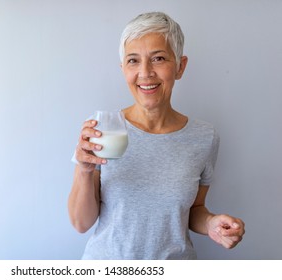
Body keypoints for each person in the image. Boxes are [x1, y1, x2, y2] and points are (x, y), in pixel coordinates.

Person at [68, 12, 245, 259]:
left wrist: (211, 223)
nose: (145, 72)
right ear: (123, 69)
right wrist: (84, 171)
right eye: (133, 61)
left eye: (158, 58)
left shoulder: (205, 137)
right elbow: (80, 223)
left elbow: (193, 209)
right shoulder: (103, 129)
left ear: (180, 66)